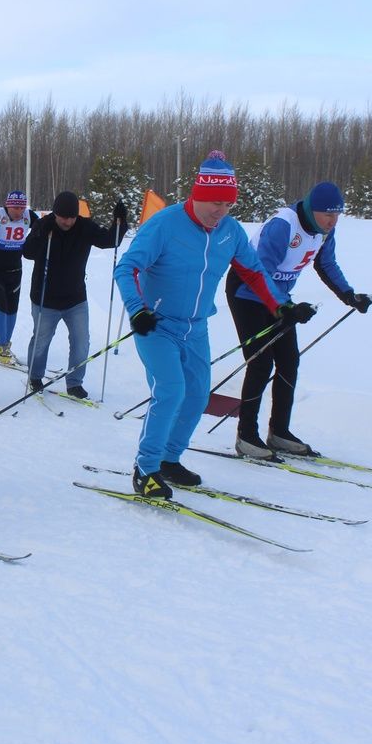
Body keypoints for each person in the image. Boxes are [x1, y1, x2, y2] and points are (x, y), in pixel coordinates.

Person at [113, 151, 312, 499]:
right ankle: (145, 469)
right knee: (171, 390)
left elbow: (253, 271)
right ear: (197, 196)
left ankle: (170, 459)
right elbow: (126, 267)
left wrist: (281, 308)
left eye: (228, 204)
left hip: (196, 327)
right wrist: (137, 309)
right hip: (156, 324)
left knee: (197, 395)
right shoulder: (165, 224)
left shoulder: (230, 232)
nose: (221, 211)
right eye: (215, 203)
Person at [225, 181, 372, 458]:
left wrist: (350, 296)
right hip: (247, 292)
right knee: (261, 362)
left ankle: (279, 432)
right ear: (311, 209)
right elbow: (259, 271)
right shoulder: (284, 225)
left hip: (278, 297)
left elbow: (326, 264)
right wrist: (285, 307)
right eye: (328, 214)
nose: (332, 220)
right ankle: (246, 436)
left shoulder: (325, 232)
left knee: (289, 361)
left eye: (337, 215)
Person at [22, 191, 126, 398]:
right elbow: (28, 253)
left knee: (81, 341)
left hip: (75, 298)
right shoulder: (44, 226)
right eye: (63, 217)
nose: (68, 221)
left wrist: (119, 222)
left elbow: (109, 240)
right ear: (55, 213)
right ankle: (35, 377)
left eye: (72, 217)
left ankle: (74, 382)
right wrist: (40, 235)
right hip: (45, 297)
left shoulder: (85, 226)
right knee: (41, 340)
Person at [0, 191, 35, 364]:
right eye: (15, 207)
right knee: (0, 306)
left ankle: (6, 344)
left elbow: (44, 227)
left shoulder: (29, 215)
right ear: (7, 205)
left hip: (15, 268)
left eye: (22, 207)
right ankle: (1, 347)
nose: (19, 212)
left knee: (12, 308)